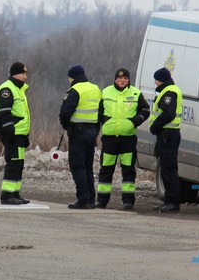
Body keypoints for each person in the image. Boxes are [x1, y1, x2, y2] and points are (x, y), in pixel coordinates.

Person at [96, 68, 150, 210]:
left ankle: (128, 201)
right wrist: (103, 122)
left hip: (128, 139)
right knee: (106, 170)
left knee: (128, 170)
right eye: (120, 78)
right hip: (109, 138)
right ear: (115, 79)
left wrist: (135, 121)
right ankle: (101, 201)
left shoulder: (136, 93)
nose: (122, 80)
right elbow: (98, 112)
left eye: (125, 78)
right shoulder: (105, 92)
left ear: (129, 80)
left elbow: (145, 110)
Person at [59, 65, 102, 209]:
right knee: (87, 166)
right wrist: (96, 129)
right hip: (92, 132)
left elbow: (65, 113)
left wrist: (67, 126)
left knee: (77, 166)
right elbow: (101, 111)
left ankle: (83, 199)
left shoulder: (74, 90)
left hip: (78, 132)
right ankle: (90, 199)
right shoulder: (95, 89)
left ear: (72, 77)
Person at [0, 62, 31, 205]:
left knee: (19, 163)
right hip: (12, 134)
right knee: (13, 163)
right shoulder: (7, 89)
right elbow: (4, 113)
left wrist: (25, 135)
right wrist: (10, 132)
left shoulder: (19, 90)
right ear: (15, 74)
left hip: (20, 134)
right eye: (23, 74)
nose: (25, 77)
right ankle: (7, 195)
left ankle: (15, 193)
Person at [149, 67, 183, 213]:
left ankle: (173, 202)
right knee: (167, 168)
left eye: (156, 79)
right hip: (166, 135)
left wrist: (155, 126)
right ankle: (170, 200)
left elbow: (168, 114)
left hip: (168, 135)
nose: (155, 83)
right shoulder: (168, 90)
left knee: (169, 169)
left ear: (161, 80)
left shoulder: (169, 92)